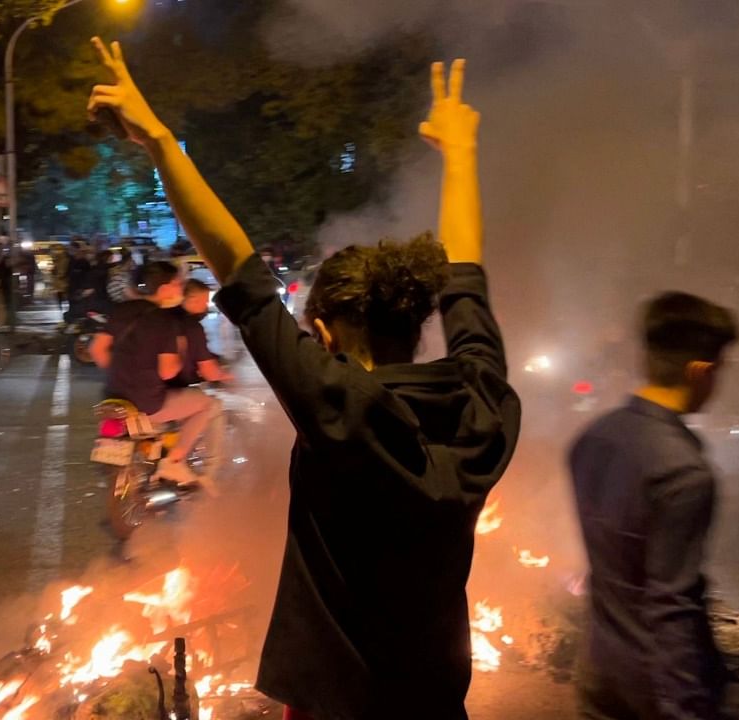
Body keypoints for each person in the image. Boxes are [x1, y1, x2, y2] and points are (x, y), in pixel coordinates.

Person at [87, 41, 521, 718]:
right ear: (418, 316)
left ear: (323, 333)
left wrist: (160, 140)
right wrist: (461, 154)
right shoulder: (481, 402)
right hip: (437, 701)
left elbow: (237, 269)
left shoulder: (337, 407)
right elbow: (467, 276)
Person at [570, 293, 739, 720]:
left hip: (597, 671)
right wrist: (686, 708)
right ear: (699, 371)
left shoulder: (592, 439)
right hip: (650, 693)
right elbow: (672, 607)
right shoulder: (683, 472)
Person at [89, 261, 221, 488]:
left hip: (113, 396)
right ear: (164, 289)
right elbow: (168, 372)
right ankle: (174, 461)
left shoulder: (122, 310)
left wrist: (122, 370)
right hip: (147, 402)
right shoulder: (164, 320)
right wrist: (180, 352)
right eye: (178, 284)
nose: (181, 288)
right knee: (208, 405)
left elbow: (97, 350)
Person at [170, 279, 232, 387]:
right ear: (193, 300)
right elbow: (209, 372)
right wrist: (225, 376)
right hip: (177, 387)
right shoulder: (192, 326)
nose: (206, 307)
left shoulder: (165, 318)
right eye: (204, 302)